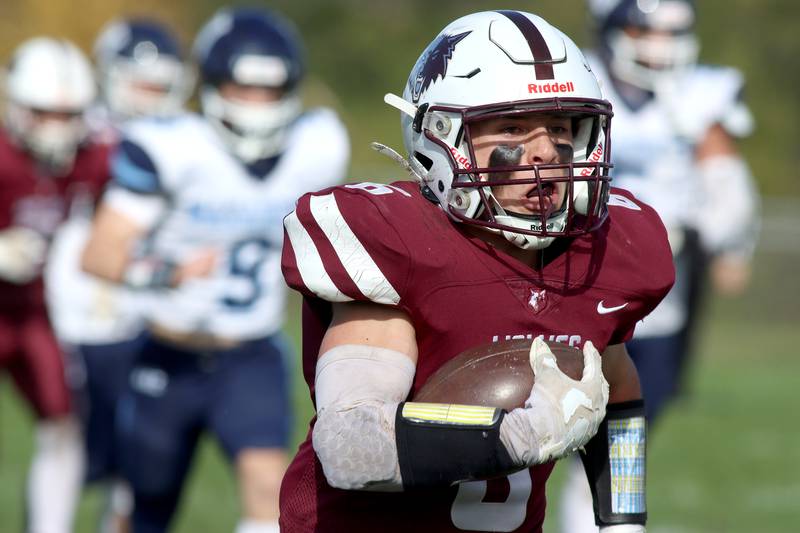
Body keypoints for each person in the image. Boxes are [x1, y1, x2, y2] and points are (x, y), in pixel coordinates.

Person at [278, 10, 674, 533]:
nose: (545, 154)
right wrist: (524, 434)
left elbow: (616, 389)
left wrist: (623, 520)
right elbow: (354, 447)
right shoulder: (400, 244)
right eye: (511, 127)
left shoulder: (605, 252)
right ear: (439, 138)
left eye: (560, 127)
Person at [81, 6, 349, 533]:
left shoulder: (316, 147)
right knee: (144, 504)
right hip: (167, 351)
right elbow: (99, 255)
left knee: (269, 489)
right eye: (243, 89)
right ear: (213, 83)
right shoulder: (173, 147)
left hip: (248, 352)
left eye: (268, 91)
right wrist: (165, 273)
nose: (256, 105)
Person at [559, 1, 760, 531]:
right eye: (640, 29)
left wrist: (730, 244)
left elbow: (727, 187)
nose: (656, 44)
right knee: (582, 432)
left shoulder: (700, 93)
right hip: (577, 280)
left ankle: (597, 509)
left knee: (634, 422)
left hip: (661, 292)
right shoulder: (575, 79)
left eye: (671, 31)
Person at [44, 17, 195, 533]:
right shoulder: (82, 133)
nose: (150, 97)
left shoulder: (184, 141)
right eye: (140, 83)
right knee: (66, 436)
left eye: (159, 85)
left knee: (138, 452)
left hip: (146, 308)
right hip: (82, 303)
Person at [0, 37, 111, 533]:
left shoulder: (97, 156)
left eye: (68, 115)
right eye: (43, 113)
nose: (57, 129)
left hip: (41, 313)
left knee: (64, 423)